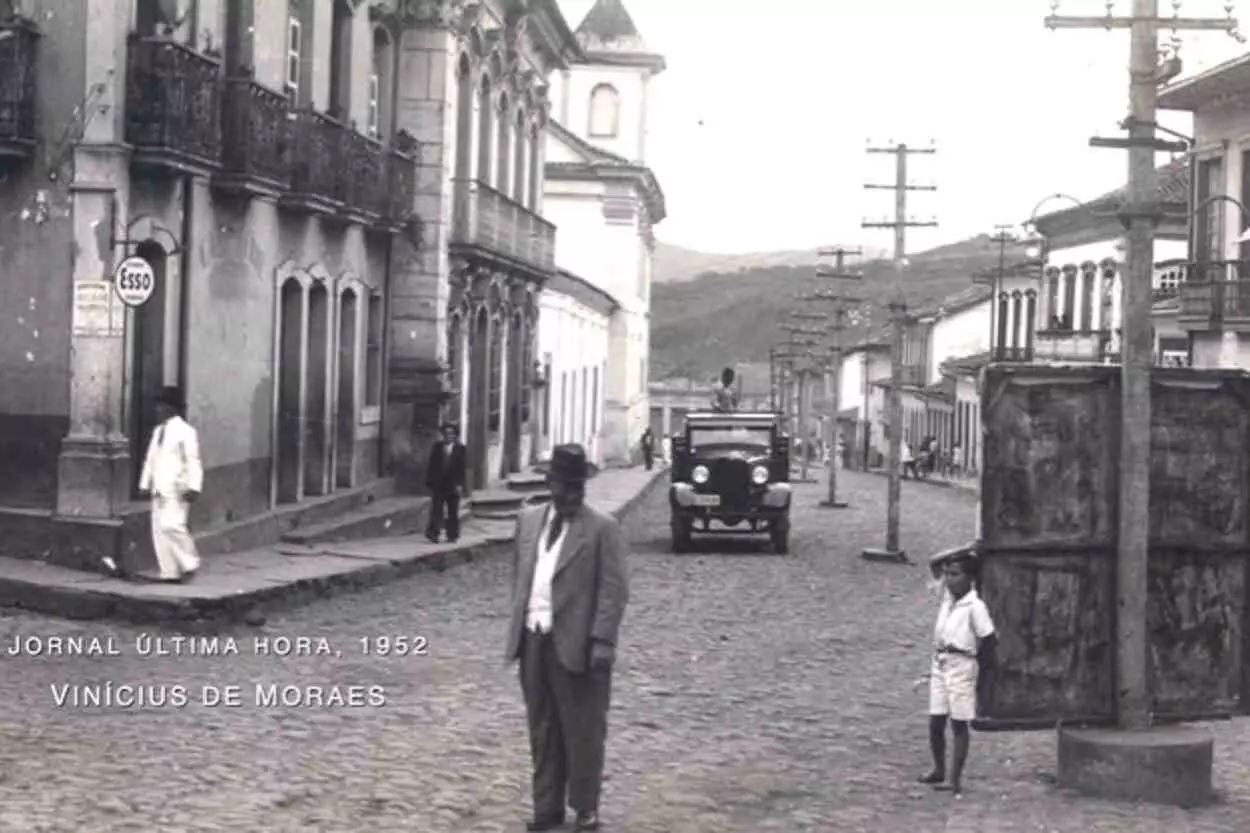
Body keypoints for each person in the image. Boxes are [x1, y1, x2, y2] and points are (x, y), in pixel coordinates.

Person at [504, 444, 629, 832]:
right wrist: (522, 624)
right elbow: (520, 576)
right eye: (566, 487)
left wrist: (602, 642)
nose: (573, 495)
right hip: (534, 640)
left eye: (579, 487)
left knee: (583, 729)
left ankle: (586, 808)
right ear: (550, 483)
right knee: (542, 728)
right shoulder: (528, 521)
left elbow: (614, 589)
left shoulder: (602, 529)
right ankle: (547, 809)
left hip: (579, 644)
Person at [919, 547, 997, 795]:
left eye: (956, 574)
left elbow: (988, 639)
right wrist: (967, 548)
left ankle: (955, 778)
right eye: (948, 574)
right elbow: (934, 561)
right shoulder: (947, 599)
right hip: (940, 661)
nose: (950, 579)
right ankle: (938, 769)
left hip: (962, 663)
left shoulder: (975, 606)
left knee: (959, 723)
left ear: (970, 578)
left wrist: (981, 672)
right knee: (935, 721)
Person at [136, 386, 202, 583]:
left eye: (161, 406)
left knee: (172, 525)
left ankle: (191, 562)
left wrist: (194, 486)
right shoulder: (158, 432)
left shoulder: (186, 432)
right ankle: (169, 571)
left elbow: (193, 460)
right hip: (158, 487)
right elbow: (151, 459)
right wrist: (144, 482)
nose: (157, 410)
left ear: (171, 408)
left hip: (177, 488)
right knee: (158, 531)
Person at [424, 422, 466, 543]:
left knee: (453, 511)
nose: (449, 436)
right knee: (437, 510)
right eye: (446, 433)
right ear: (443, 435)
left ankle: (452, 534)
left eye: (451, 433)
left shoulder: (461, 449)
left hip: (453, 484)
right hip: (439, 484)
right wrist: (430, 482)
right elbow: (431, 465)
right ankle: (433, 534)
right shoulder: (437, 447)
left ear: (455, 435)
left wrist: (460, 484)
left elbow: (463, 469)